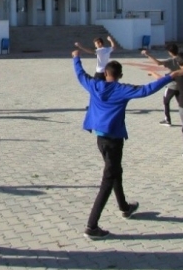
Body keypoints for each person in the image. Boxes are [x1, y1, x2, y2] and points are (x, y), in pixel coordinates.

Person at [72, 49, 174, 240]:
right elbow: (146, 90)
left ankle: (124, 207)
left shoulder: (94, 85)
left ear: (105, 74)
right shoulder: (121, 89)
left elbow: (80, 74)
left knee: (115, 170)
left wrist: (76, 58)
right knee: (108, 179)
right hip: (113, 140)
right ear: (120, 76)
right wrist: (169, 77)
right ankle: (91, 226)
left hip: (100, 139)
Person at [141, 44, 183, 126]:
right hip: (181, 84)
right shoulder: (182, 59)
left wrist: (148, 55)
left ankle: (167, 120)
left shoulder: (171, 61)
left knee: (166, 101)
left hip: (171, 85)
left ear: (169, 52)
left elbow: (158, 63)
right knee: (181, 103)